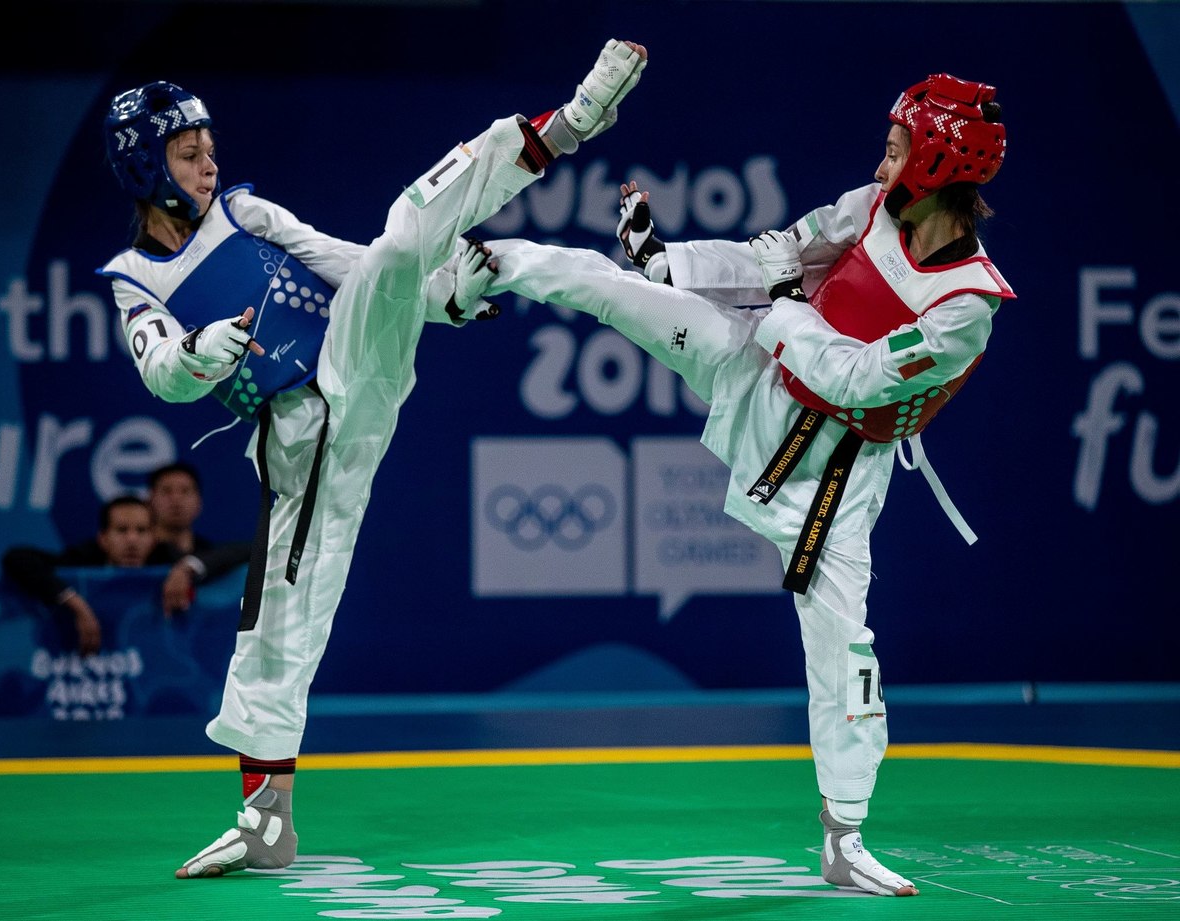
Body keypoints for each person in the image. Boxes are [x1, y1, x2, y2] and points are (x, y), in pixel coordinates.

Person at [96, 39, 648, 878]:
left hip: (348, 366)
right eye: (188, 150)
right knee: (280, 620)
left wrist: (439, 299)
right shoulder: (134, 277)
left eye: (209, 145)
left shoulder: (245, 213)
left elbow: (349, 265)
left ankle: (568, 123)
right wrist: (202, 351)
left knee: (396, 248)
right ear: (146, 167)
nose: (209, 161)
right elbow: (162, 370)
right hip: (295, 439)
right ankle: (265, 818)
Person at [477, 73, 1012, 896]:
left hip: (833, 478)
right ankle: (479, 262)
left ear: (938, 164)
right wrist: (668, 262)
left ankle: (845, 836)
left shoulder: (967, 303)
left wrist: (792, 302)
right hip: (753, 370)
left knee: (846, 656)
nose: (882, 163)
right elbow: (773, 260)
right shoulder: (869, 209)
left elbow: (860, 379)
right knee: (611, 290)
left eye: (898, 148)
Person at [1, 495, 181, 656]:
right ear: (103, 539)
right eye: (122, 530)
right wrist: (75, 603)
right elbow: (17, 559)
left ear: (153, 539)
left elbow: (206, 560)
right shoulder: (83, 560)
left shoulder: (169, 559)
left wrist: (186, 571)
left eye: (141, 531)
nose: (132, 540)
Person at [147, 461, 250, 615]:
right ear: (150, 500)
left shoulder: (210, 555)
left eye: (185, 491)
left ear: (199, 502)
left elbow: (254, 550)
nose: (176, 499)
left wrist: (190, 567)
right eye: (166, 491)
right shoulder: (138, 554)